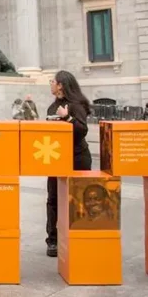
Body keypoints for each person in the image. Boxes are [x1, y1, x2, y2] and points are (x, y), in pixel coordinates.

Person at [45, 70, 92, 257]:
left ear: (61, 85)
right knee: (53, 200)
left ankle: (80, 237)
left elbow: (82, 130)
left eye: (52, 81)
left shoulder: (76, 105)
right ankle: (53, 241)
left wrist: (67, 117)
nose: (50, 84)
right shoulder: (51, 107)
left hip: (77, 157)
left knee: (78, 198)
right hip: (56, 158)